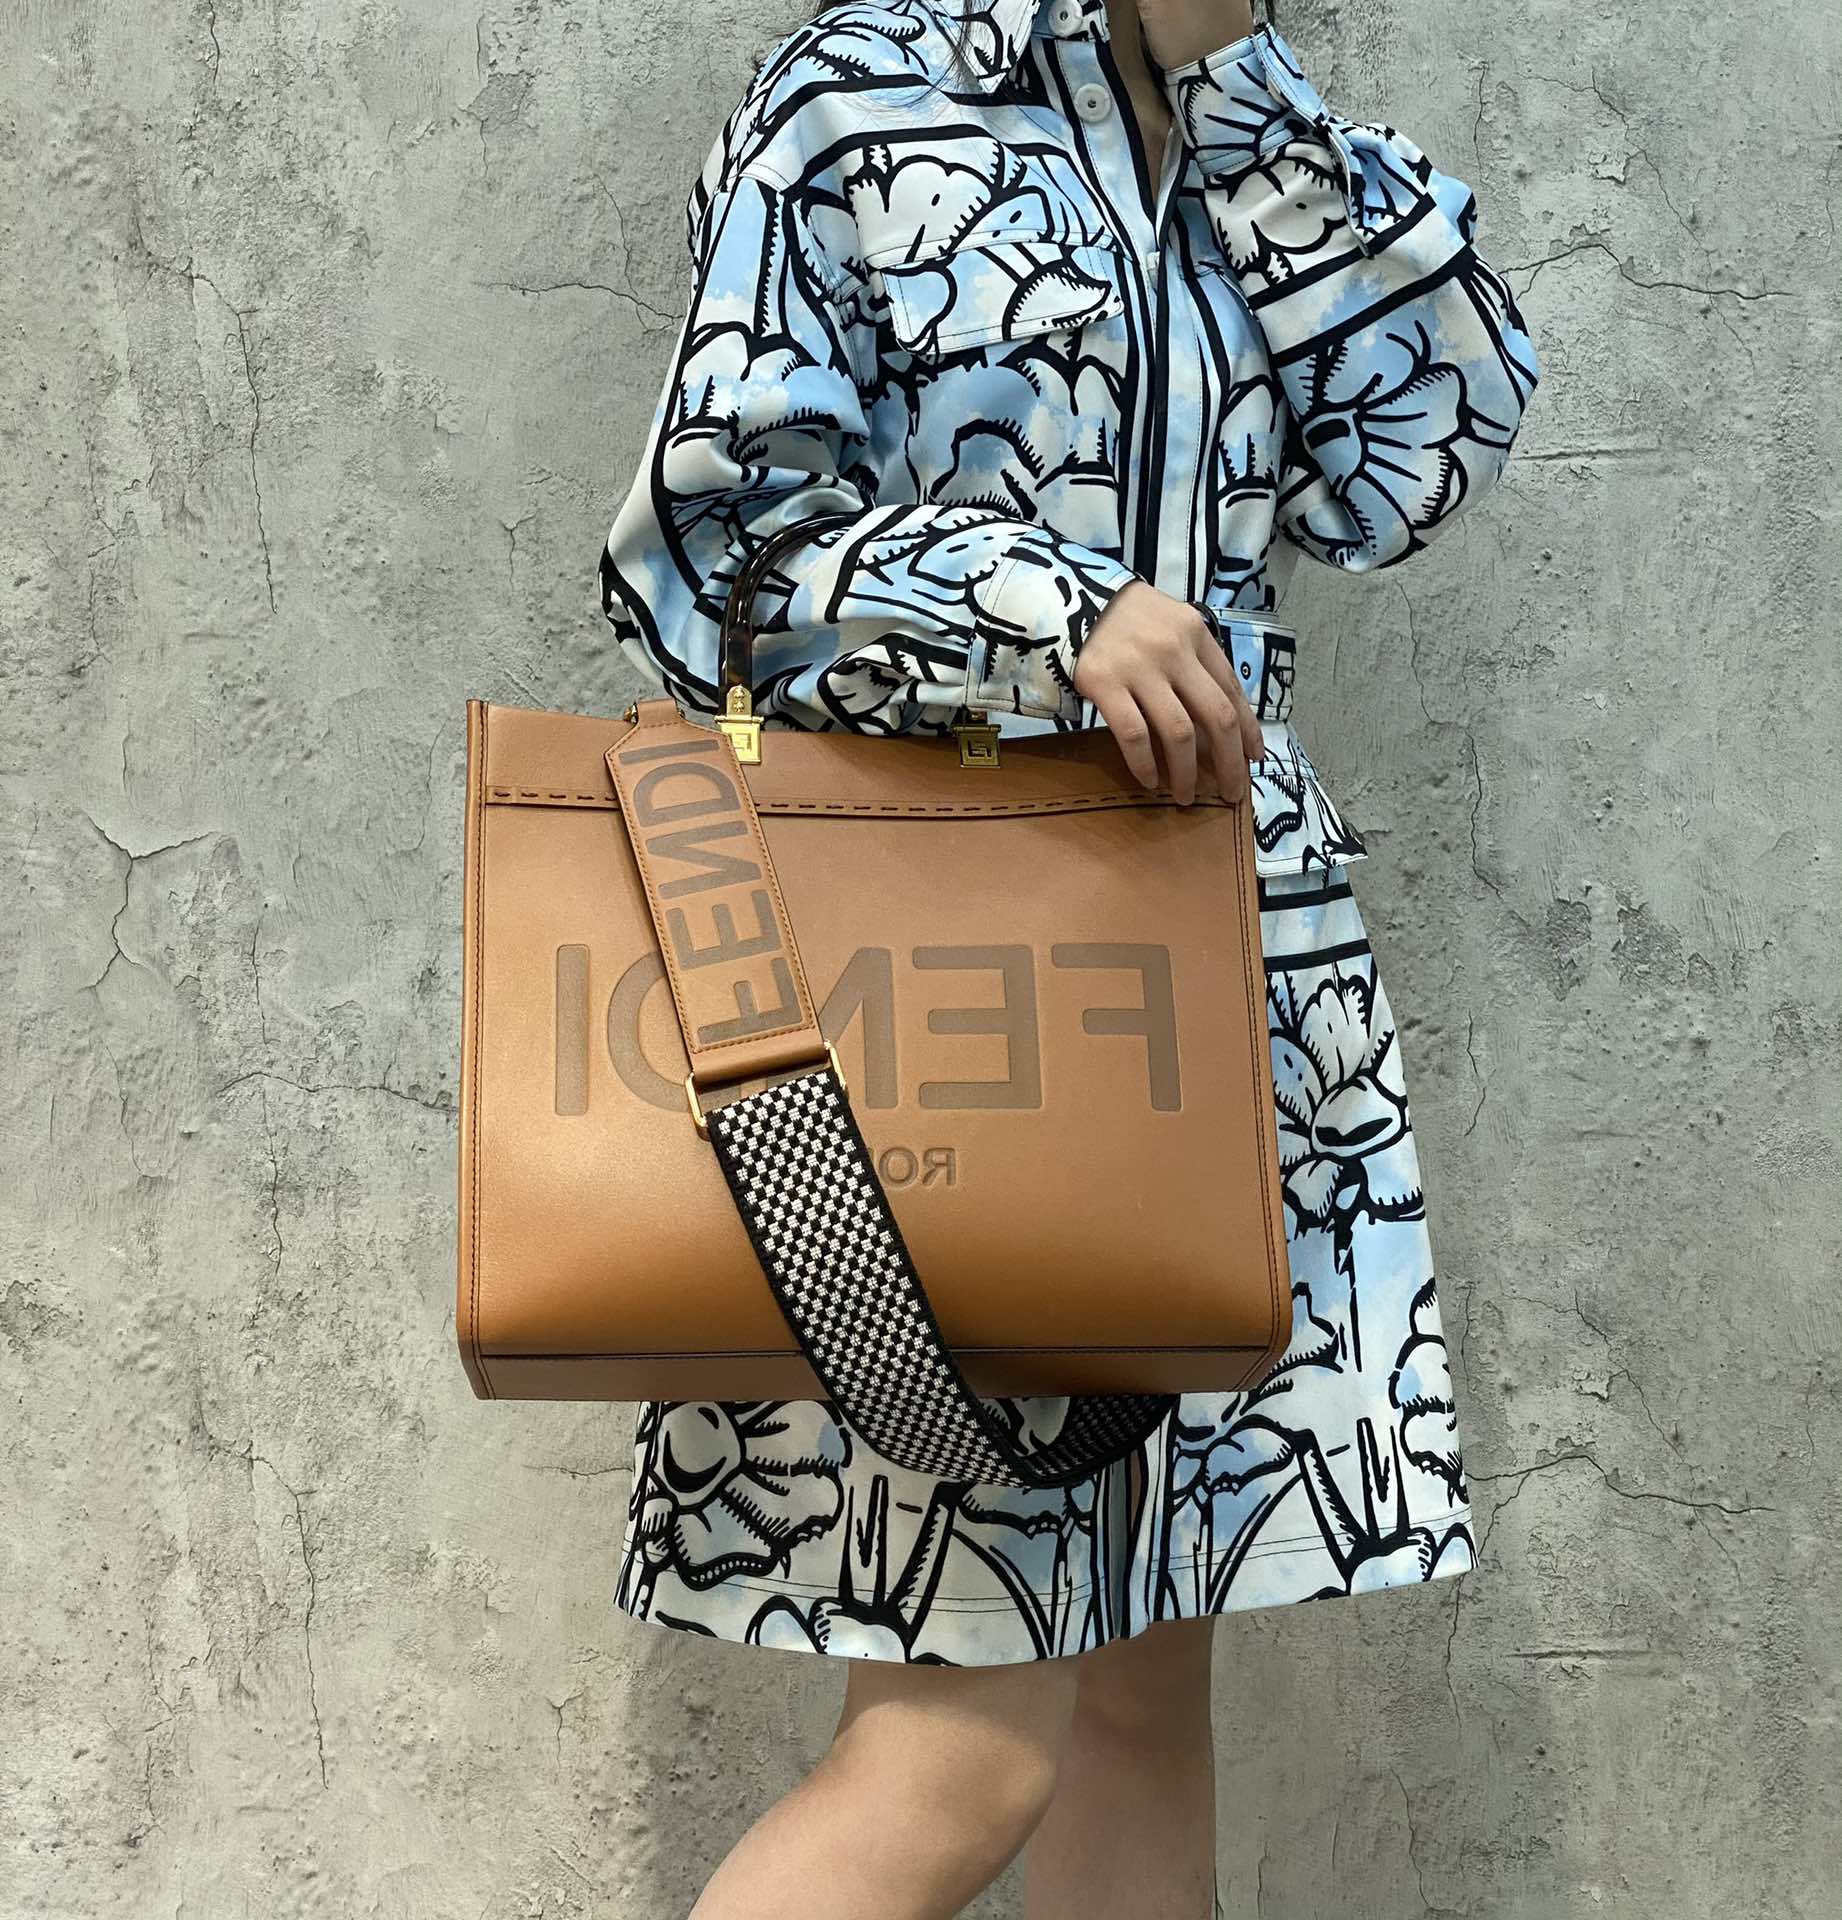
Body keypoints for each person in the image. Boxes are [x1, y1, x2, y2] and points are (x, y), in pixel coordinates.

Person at [596, 0, 1540, 1912]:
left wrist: (1244, 93)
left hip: (1206, 994)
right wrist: (1049, 603)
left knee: (1136, 1716)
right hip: (948, 1015)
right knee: (958, 1756)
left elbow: (1419, 452)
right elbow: (712, 553)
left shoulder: (1242, 125)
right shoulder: (865, 92)